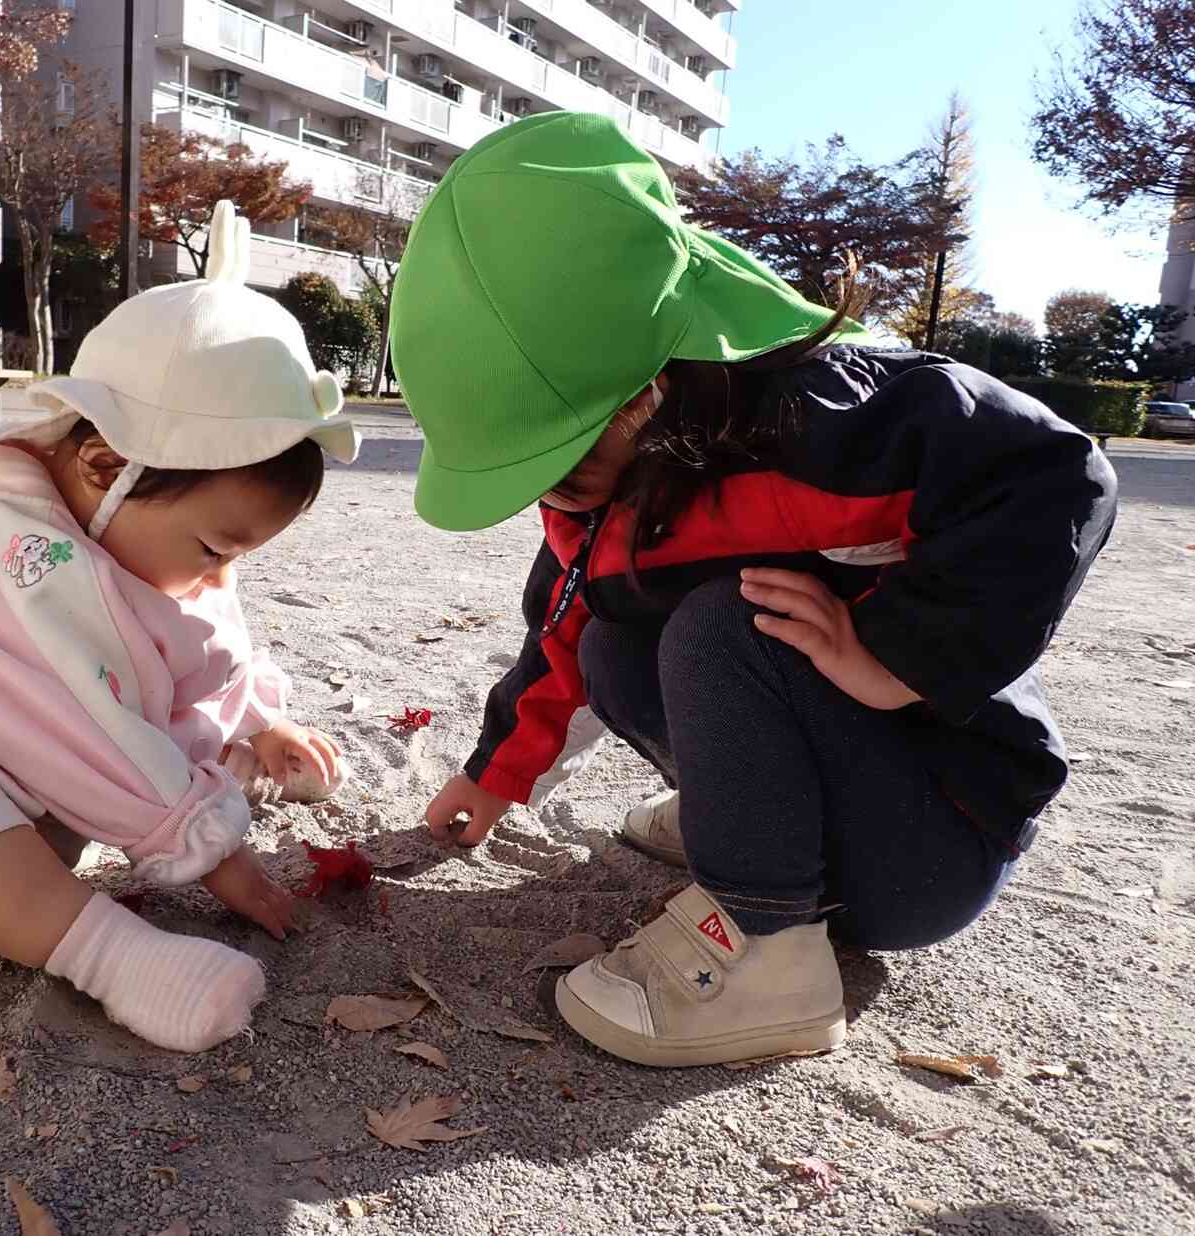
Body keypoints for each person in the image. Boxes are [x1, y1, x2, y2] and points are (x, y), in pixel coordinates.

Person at [388, 113, 1116, 1068]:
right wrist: (496, 774)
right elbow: (562, 621)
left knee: (727, 621)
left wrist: (895, 660)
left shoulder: (839, 421)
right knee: (615, 639)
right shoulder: (609, 489)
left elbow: (1057, 476)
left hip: (934, 833)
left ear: (645, 391)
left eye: (555, 456)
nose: (543, 490)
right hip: (837, 820)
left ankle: (768, 958)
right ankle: (746, 830)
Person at [0, 202, 360, 1053]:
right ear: (104, 465)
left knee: (156, 747)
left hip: (52, 807)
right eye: (212, 546)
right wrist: (216, 855)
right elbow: (73, 717)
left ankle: (66, 884)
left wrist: (260, 719)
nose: (218, 577)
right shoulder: (14, 559)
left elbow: (195, 648)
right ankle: (113, 957)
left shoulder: (137, 537)